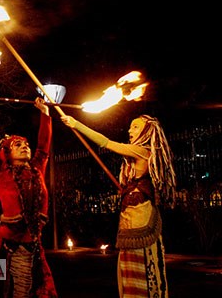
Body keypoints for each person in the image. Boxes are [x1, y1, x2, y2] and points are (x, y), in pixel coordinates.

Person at [61, 114, 176, 298]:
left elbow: (106, 142)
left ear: (148, 131)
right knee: (130, 273)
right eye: (131, 127)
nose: (130, 131)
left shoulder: (143, 151)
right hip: (130, 222)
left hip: (140, 222)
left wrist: (76, 124)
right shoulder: (136, 156)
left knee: (143, 271)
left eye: (136, 127)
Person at [0, 91, 58, 298]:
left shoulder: (37, 169)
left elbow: (43, 147)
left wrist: (45, 113)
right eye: (18, 145)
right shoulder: (1, 172)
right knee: (6, 290)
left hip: (32, 243)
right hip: (8, 244)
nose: (25, 147)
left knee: (35, 290)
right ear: (7, 152)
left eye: (26, 145)